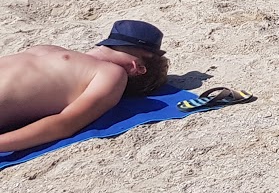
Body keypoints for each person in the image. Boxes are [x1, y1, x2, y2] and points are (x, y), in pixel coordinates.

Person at [0, 20, 170, 154]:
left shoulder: (47, 49)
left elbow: (64, 124)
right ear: (138, 67)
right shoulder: (108, 73)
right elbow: (64, 125)